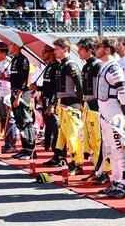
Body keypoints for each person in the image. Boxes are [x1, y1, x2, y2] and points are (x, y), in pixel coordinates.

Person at [95, 37, 125, 198]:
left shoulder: (114, 68)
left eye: (99, 47)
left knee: (119, 149)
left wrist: (124, 116)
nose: (96, 49)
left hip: (114, 114)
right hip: (105, 113)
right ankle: (117, 181)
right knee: (111, 150)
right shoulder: (105, 66)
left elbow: (123, 94)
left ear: (107, 49)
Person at [76, 37, 111, 183]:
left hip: (97, 107)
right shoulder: (86, 65)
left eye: (81, 49)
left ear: (89, 50)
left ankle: (105, 172)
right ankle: (98, 170)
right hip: (88, 106)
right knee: (92, 140)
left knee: (99, 140)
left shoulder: (97, 65)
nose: (78, 52)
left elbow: (101, 88)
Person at [53, 38, 84, 175]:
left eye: (57, 49)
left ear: (65, 49)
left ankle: (78, 164)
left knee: (73, 137)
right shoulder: (61, 65)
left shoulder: (71, 65)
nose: (55, 52)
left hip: (72, 106)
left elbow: (80, 86)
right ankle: (70, 162)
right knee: (65, 137)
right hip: (63, 105)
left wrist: (82, 105)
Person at [8, 42, 36, 160]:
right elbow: (15, 78)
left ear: (17, 46)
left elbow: (24, 80)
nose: (8, 47)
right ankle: (24, 149)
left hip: (22, 94)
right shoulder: (14, 60)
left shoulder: (23, 60)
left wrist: (18, 96)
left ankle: (31, 150)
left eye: (10, 45)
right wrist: (4, 78)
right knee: (19, 122)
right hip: (14, 92)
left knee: (26, 122)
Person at [33, 46, 60, 164]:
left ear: (52, 53)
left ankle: (59, 157)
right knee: (49, 128)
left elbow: (56, 88)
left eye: (45, 52)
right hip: (46, 101)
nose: (42, 54)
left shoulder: (57, 67)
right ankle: (55, 156)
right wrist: (38, 89)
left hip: (53, 104)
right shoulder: (48, 66)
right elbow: (48, 87)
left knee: (56, 129)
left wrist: (52, 104)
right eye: (42, 51)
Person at [0, 48, 17, 153]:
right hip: (0, 95)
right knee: (2, 120)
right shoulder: (0, 64)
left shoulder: (9, 64)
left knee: (9, 120)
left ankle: (12, 144)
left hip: (7, 96)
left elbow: (13, 79)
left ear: (4, 53)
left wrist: (4, 78)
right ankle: (6, 143)